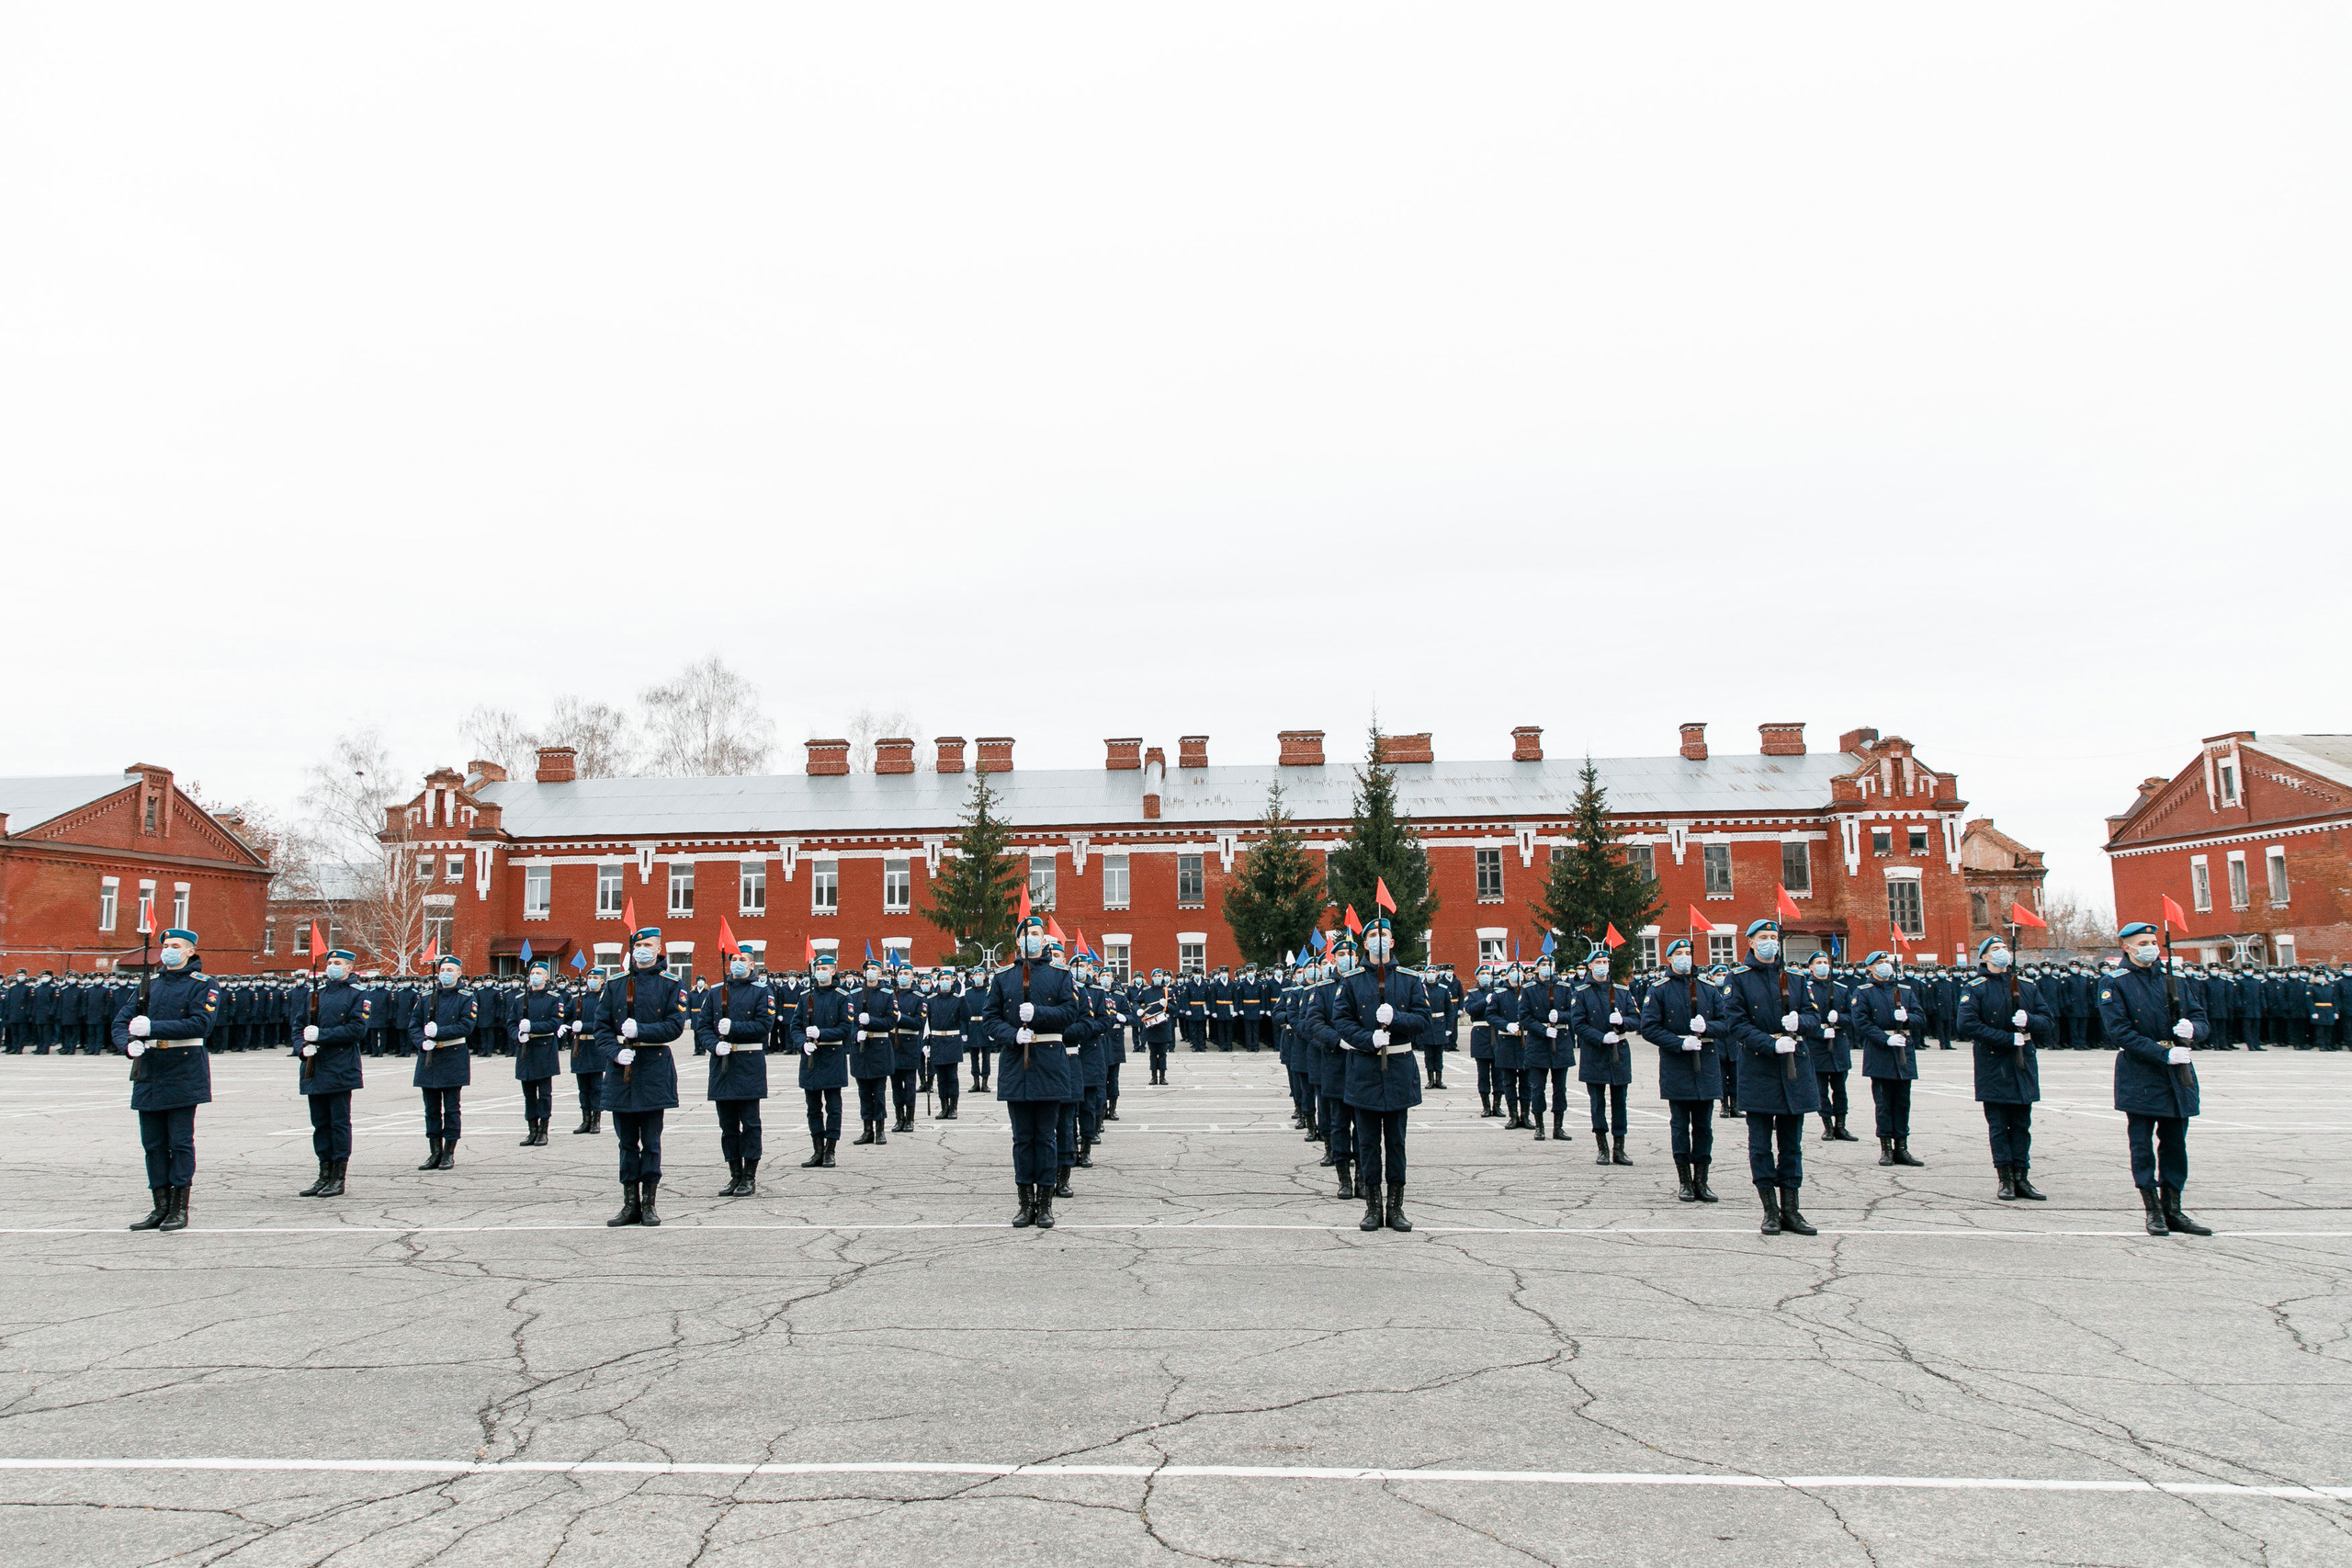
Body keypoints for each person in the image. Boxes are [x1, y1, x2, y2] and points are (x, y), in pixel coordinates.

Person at [2099, 923, 2212, 1236]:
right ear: (2127, 947)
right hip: (2141, 1072)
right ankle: (2153, 1211)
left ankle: (2173, 1209)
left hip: (2178, 1074)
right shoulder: (2114, 983)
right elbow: (2119, 1031)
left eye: (2153, 941)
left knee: (2175, 1145)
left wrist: (2194, 1031)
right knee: (2142, 1146)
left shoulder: (2172, 979)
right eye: (2143, 942)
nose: (2151, 947)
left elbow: (2200, 1017)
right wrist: (2162, 1054)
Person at [111, 927, 220, 1232]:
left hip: (183, 1070)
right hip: (149, 1071)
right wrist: (127, 1044)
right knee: (153, 1144)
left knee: (180, 1143)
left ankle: (178, 1208)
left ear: (189, 951)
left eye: (175, 945)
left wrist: (153, 1028)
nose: (168, 949)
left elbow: (201, 1023)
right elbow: (122, 1021)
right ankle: (159, 1206)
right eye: (165, 944)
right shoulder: (150, 984)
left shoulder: (204, 985)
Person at [1721, 919, 1820, 1237]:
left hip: (1794, 1067)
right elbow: (1735, 1024)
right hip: (1760, 1067)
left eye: (1774, 937)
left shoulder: (1794, 976)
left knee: (1791, 1145)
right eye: (1763, 937)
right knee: (1761, 1145)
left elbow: (1814, 1016)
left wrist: (1800, 1022)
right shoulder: (1738, 979)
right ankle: (1770, 1210)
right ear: (1750, 942)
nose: (1770, 942)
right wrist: (1770, 1042)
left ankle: (1792, 1209)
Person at [981, 914, 1080, 1228]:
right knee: (1022, 1139)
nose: (1032, 938)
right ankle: (1025, 1203)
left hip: (1049, 1064)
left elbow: (1070, 1012)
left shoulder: (1060, 974)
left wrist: (1039, 1013)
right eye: (1026, 934)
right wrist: (1012, 1034)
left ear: (1045, 939)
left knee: (1047, 1138)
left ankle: (1046, 1204)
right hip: (1016, 1066)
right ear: (1017, 941)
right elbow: (989, 1019)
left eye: (1037, 933)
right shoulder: (1003, 978)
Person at [1332, 919, 1428, 1234]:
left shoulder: (1411, 980)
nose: (1378, 940)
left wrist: (1396, 1018)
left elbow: (1424, 1020)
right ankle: (1372, 1207)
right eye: (1372, 936)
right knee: (1369, 1144)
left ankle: (1395, 1208)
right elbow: (1342, 1021)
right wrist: (1367, 1039)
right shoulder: (1352, 981)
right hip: (1365, 1070)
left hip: (1398, 1070)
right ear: (1365, 943)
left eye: (1383, 934)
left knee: (1397, 1144)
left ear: (1393, 940)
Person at [595, 927, 689, 1226]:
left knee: (650, 1142)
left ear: (659, 947)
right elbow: (601, 1028)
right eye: (638, 945)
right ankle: (629, 1205)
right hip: (621, 1072)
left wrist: (642, 1032)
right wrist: (614, 1052)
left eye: (649, 944)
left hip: (653, 1068)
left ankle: (649, 1204)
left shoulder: (671, 984)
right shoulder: (615, 985)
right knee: (626, 1144)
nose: (642, 950)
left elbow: (675, 1025)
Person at [1957, 934, 2051, 1201]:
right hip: (1994, 1063)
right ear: (1984, 957)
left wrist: (2029, 1019)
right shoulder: (1975, 987)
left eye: (2004, 948)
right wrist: (2006, 1037)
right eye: (1995, 949)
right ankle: (2005, 1178)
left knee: (2022, 1124)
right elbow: (1966, 1025)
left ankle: (2022, 1177)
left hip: (2023, 1063)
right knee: (1999, 1126)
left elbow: (2048, 1019)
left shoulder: (2027, 986)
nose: (2002, 952)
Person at [1638, 938, 1721, 1201]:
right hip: (1677, 1064)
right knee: (1680, 1126)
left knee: (1704, 1127)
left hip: (1705, 1063)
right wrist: (1678, 1042)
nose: (1685, 957)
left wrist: (1707, 1028)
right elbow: (1649, 1028)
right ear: (1670, 959)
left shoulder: (1708, 988)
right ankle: (1685, 1181)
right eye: (1680, 954)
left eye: (1689, 953)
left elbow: (1728, 1022)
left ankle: (1702, 1181)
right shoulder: (1659, 989)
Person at [293, 949, 370, 1197]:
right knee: (320, 1124)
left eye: (338, 963)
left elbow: (358, 1029)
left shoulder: (357, 994)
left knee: (338, 1124)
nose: (332, 967)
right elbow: (298, 1025)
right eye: (329, 963)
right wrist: (302, 1049)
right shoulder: (315, 994)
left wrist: (323, 1036)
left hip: (340, 1067)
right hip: (314, 1067)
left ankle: (338, 1176)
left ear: (349, 968)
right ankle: (323, 1174)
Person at [698, 947, 774, 1196]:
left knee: (751, 1124)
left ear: (752, 965)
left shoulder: (761, 992)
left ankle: (749, 1176)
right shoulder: (716, 992)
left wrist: (735, 1027)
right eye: (734, 959)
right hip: (722, 1065)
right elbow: (703, 1027)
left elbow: (764, 1025)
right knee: (728, 1126)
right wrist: (713, 1045)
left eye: (742, 960)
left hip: (748, 1063)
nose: (737, 963)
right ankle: (735, 1175)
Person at [1847, 951, 1925, 1167]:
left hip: (1903, 1051)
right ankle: (1886, 1148)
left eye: (1887, 962)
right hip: (1881, 1052)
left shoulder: (1905, 991)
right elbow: (1860, 1022)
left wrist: (1908, 1019)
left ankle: (1902, 1147)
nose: (1885, 966)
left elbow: (1921, 1017)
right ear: (1870, 968)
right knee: (1883, 1104)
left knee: (1902, 1103)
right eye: (1880, 963)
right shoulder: (1863, 992)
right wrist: (1884, 1039)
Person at [1569, 944, 1635, 1165]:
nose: (1602, 966)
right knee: (1597, 1102)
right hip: (1595, 1053)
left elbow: (1638, 1019)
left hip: (1619, 1052)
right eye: (1598, 963)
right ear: (1590, 966)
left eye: (1605, 962)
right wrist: (1600, 1037)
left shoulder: (1622, 991)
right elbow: (1578, 1024)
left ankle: (1619, 1148)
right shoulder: (1581, 992)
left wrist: (1624, 1022)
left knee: (1620, 1102)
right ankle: (1602, 1147)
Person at [410, 954, 475, 1170]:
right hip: (429, 1058)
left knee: (451, 1108)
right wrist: (421, 1041)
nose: (445, 973)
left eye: (450, 969)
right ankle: (434, 1152)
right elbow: (414, 1024)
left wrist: (440, 1032)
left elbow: (467, 1026)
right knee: (431, 1110)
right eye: (442, 969)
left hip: (452, 1055)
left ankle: (449, 1152)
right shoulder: (427, 995)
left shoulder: (466, 997)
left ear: (458, 973)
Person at [796, 952, 850, 1168]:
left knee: (833, 1107)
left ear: (833, 971)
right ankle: (817, 1150)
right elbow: (795, 1027)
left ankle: (830, 1150)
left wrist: (822, 1034)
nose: (820, 973)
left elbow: (846, 1028)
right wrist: (802, 1042)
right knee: (813, 1108)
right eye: (817, 969)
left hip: (832, 1056)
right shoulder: (805, 996)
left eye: (824, 969)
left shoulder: (842, 996)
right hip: (811, 1058)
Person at [1800, 952, 1858, 1143]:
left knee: (1840, 1089)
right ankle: (1828, 1126)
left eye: (1825, 962)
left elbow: (1853, 1017)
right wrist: (1819, 1032)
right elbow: (1801, 1019)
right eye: (1818, 962)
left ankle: (1841, 1125)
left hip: (1839, 1043)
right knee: (1821, 1089)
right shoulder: (1805, 989)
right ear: (1811, 967)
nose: (1823, 965)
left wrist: (1839, 1019)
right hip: (1817, 1045)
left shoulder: (1841, 989)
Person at [1521, 954, 1574, 1143]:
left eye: (1549, 965)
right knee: (1537, 1088)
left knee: (1560, 1089)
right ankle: (1540, 1126)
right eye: (1542, 965)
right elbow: (1524, 1017)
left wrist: (1560, 1016)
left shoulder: (1564, 987)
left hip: (1560, 1041)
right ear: (1536, 968)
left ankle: (1558, 1126)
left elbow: (1574, 1012)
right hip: (1538, 1042)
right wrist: (1542, 1030)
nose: (1546, 968)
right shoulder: (1528, 989)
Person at [512, 960, 564, 1146]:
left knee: (544, 1094)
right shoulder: (520, 999)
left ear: (546, 977)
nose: (535, 976)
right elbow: (510, 1023)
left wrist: (532, 1027)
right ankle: (531, 1130)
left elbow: (555, 1023)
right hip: (525, 1050)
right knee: (528, 1094)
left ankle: (543, 1130)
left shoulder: (553, 998)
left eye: (539, 974)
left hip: (543, 1049)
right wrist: (518, 1035)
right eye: (533, 973)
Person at [848, 960, 896, 1147]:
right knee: (864, 1092)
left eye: (874, 969)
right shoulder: (854, 994)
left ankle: (880, 1129)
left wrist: (872, 1021)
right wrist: (855, 1034)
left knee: (879, 1091)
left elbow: (891, 1021)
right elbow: (848, 1021)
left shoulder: (887, 994)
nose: (871, 972)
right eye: (868, 969)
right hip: (860, 1048)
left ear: (880, 973)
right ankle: (867, 1129)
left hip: (879, 1047)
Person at [921, 967, 967, 1119]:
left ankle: (953, 1108)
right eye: (942, 979)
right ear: (938, 982)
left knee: (952, 1077)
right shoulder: (931, 999)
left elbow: (966, 1016)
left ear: (952, 981)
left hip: (952, 1041)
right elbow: (927, 1024)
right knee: (941, 1078)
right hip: (936, 1041)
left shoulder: (957, 998)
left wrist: (963, 998)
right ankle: (944, 1107)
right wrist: (925, 1044)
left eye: (948, 979)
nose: (945, 982)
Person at [1137, 966, 1177, 1085]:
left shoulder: (1168, 991)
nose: (1157, 978)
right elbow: (1135, 1001)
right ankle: (1154, 1077)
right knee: (1153, 1053)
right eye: (1155, 976)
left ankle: (1163, 1077)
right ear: (1152, 978)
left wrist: (1167, 1005)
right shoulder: (1146, 990)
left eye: (1159, 976)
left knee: (1163, 1053)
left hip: (1163, 1025)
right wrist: (1139, 1009)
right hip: (1151, 1026)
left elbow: (1175, 1008)